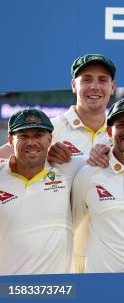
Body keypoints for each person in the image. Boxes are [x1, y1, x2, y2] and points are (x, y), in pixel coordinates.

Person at [71, 97, 124, 272]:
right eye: (121, 125)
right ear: (110, 131)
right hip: (102, 288)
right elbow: (70, 226)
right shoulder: (89, 174)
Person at [0, 108, 81, 274]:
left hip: (57, 291)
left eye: (38, 135)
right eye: (23, 135)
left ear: (50, 139)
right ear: (10, 140)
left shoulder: (69, 170)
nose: (31, 142)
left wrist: (102, 150)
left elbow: (109, 156)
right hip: (8, 291)